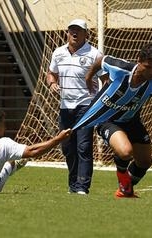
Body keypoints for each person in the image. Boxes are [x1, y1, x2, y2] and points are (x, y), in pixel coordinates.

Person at [73, 42, 152, 198]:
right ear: (139, 60)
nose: (151, 72)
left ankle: (126, 189)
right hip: (108, 119)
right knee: (126, 152)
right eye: (148, 67)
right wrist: (89, 76)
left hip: (132, 121)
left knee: (145, 162)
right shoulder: (120, 68)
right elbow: (100, 60)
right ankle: (123, 184)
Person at [46, 19, 105, 195]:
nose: (74, 33)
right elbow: (51, 73)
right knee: (67, 147)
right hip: (65, 107)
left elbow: (106, 78)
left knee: (83, 146)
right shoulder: (58, 53)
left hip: (86, 106)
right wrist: (52, 83)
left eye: (78, 30)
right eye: (72, 29)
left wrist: (101, 100)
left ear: (86, 34)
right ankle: (73, 185)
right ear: (67, 32)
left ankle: (82, 187)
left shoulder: (95, 54)